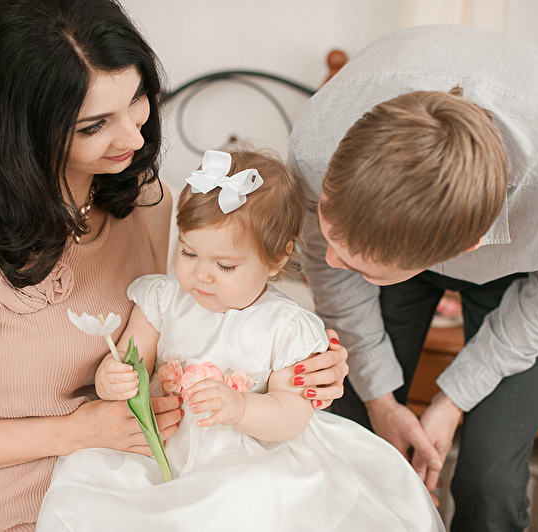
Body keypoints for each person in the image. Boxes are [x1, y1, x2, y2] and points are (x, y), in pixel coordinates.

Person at [0, 1, 347, 530]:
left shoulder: (145, 199)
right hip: (25, 510)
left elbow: (177, 334)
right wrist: (74, 431)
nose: (134, 139)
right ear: (26, 127)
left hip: (151, 489)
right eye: (94, 126)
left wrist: (291, 363)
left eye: (136, 100)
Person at [290, 24, 538, 532]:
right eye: (332, 234)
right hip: (401, 235)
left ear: (463, 249)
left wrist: (451, 402)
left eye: (358, 264)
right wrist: (381, 401)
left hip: (525, 274)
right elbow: (327, 267)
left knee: (491, 483)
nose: (330, 261)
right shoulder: (316, 144)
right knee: (351, 436)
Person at [36, 148, 445, 532]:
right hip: (165, 442)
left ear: (276, 258)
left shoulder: (285, 326)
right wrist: (112, 379)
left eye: (226, 265)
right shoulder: (162, 299)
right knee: (97, 494)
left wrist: (241, 406)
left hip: (251, 454)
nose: (202, 275)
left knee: (245, 499)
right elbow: (131, 362)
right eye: (189, 253)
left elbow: (291, 414)